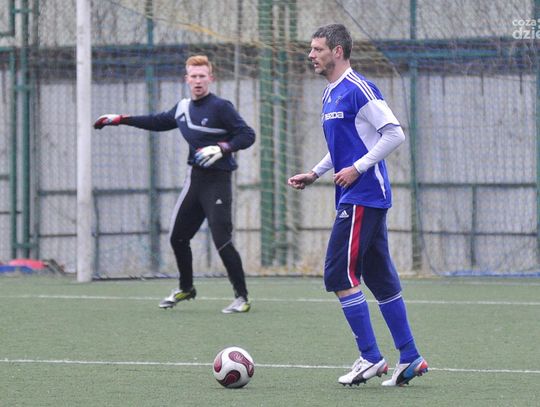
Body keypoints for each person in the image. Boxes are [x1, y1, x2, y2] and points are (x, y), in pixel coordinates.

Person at [288, 24, 428, 386]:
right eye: (311, 49)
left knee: (338, 274)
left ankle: (370, 357)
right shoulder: (329, 94)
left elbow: (394, 133)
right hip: (355, 195)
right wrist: (316, 172)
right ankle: (410, 357)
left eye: (317, 49)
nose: (311, 55)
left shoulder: (358, 88)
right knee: (379, 278)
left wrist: (358, 168)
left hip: (364, 195)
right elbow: (343, 145)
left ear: (337, 51)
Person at [94, 55, 255, 314]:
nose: (198, 81)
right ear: (186, 79)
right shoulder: (182, 108)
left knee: (222, 239)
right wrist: (121, 118)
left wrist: (223, 148)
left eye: (202, 76)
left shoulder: (221, 107)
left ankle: (242, 297)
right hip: (195, 181)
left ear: (211, 78)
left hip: (218, 182)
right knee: (178, 237)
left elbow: (247, 135)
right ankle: (186, 288)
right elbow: (157, 122)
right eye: (194, 76)